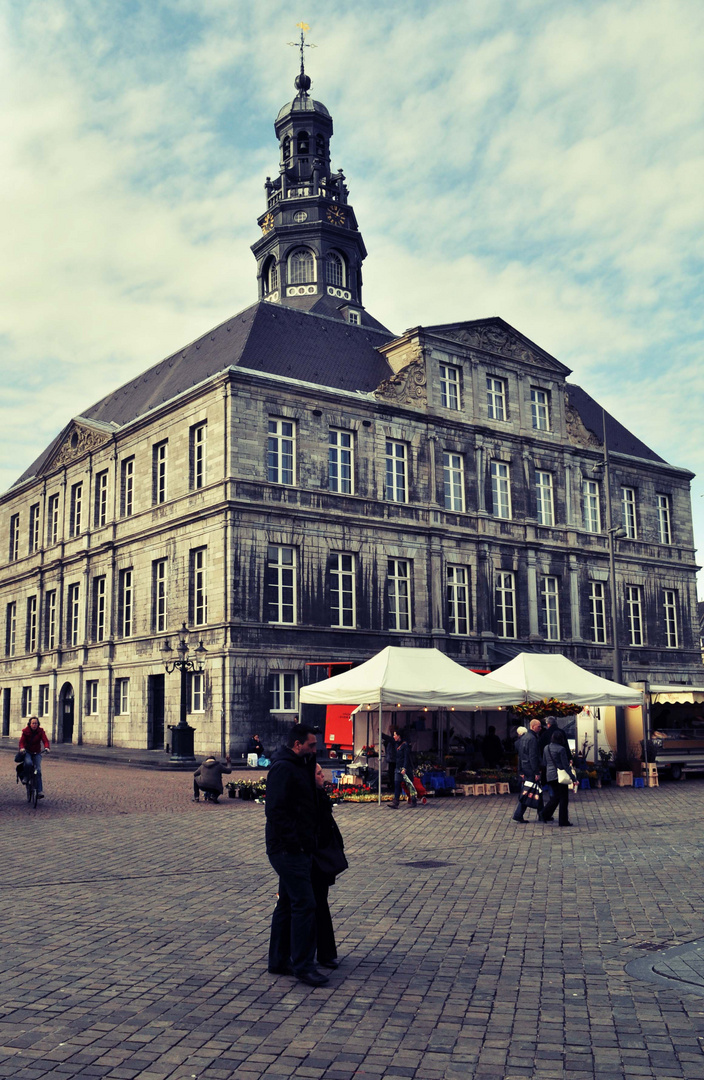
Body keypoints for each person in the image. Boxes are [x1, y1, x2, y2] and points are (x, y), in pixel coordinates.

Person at [265, 723, 329, 987]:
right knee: (305, 904)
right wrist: (296, 843)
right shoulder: (283, 768)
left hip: (297, 846)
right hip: (287, 849)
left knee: (288, 903)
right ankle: (303, 965)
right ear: (297, 744)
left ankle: (279, 960)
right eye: (312, 745)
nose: (316, 748)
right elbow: (276, 812)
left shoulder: (302, 764)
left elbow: (308, 803)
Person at [311, 763, 347, 969]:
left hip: (323, 855)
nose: (322, 776)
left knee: (320, 903)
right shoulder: (312, 797)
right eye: (318, 773)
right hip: (317, 856)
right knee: (316, 905)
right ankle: (323, 952)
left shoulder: (319, 795)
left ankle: (325, 952)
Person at [542, 731, 577, 826]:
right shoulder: (561, 749)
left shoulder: (546, 748)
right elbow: (565, 766)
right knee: (564, 798)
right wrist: (574, 778)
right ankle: (563, 820)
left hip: (550, 775)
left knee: (556, 797)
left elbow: (544, 762)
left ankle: (545, 814)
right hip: (560, 776)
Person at [512, 719, 543, 823]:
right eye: (539, 726)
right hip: (531, 768)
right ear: (533, 726)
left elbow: (520, 756)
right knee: (530, 791)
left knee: (535, 790)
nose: (540, 728)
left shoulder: (523, 738)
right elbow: (533, 756)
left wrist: (520, 770)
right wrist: (536, 772)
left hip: (525, 767)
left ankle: (542, 814)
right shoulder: (533, 739)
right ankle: (518, 814)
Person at [18, 716, 50, 798]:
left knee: (38, 771)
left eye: (36, 723)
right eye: (33, 723)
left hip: (37, 752)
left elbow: (45, 740)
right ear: (30, 724)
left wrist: (47, 747)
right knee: (28, 763)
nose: (34, 725)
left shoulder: (40, 731)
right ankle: (26, 776)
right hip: (27, 752)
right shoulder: (26, 731)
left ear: (38, 724)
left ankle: (39, 791)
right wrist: (22, 748)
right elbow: (21, 742)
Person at [387, 729, 416, 809]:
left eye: (395, 735)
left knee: (409, 784)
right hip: (398, 768)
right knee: (396, 784)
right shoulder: (396, 745)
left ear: (399, 736)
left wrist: (405, 768)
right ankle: (396, 802)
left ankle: (413, 799)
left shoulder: (405, 745)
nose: (394, 736)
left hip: (405, 768)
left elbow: (406, 758)